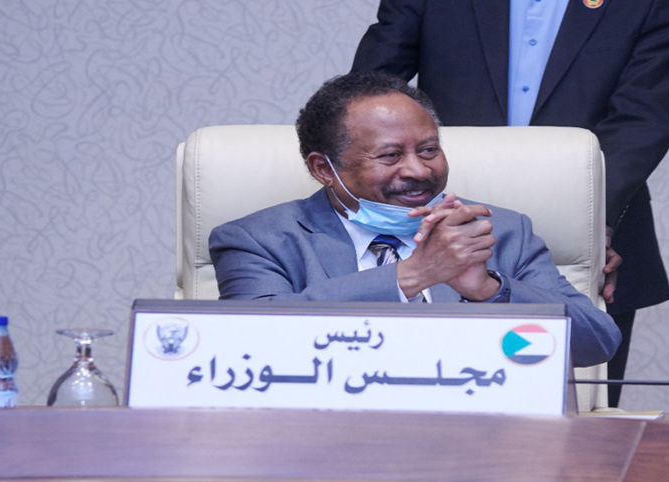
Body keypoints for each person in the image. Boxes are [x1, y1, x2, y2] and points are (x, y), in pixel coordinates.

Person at [351, 0, 669, 406]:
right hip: (435, 223)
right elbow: (368, 98)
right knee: (413, 409)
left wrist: (588, 224)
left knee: (574, 419)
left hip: (594, 227)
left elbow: (644, 120)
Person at [209, 72, 620, 368]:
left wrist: (489, 290)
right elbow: (251, 343)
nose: (419, 171)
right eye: (390, 156)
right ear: (323, 169)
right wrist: (414, 275)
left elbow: (596, 344)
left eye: (428, 150)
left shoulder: (500, 231)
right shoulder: (258, 240)